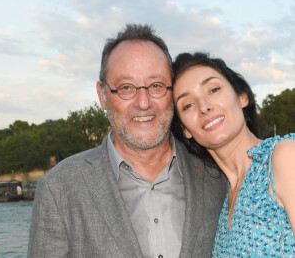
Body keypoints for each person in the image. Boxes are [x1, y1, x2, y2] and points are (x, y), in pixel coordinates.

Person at [28, 24, 227, 258]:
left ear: (172, 92)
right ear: (102, 95)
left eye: (156, 86)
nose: (143, 102)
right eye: (126, 88)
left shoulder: (217, 177)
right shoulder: (58, 189)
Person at [171, 52, 295, 257]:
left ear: (241, 97)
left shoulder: (283, 157)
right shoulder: (224, 199)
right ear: (186, 130)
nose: (204, 107)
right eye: (188, 105)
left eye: (213, 89)